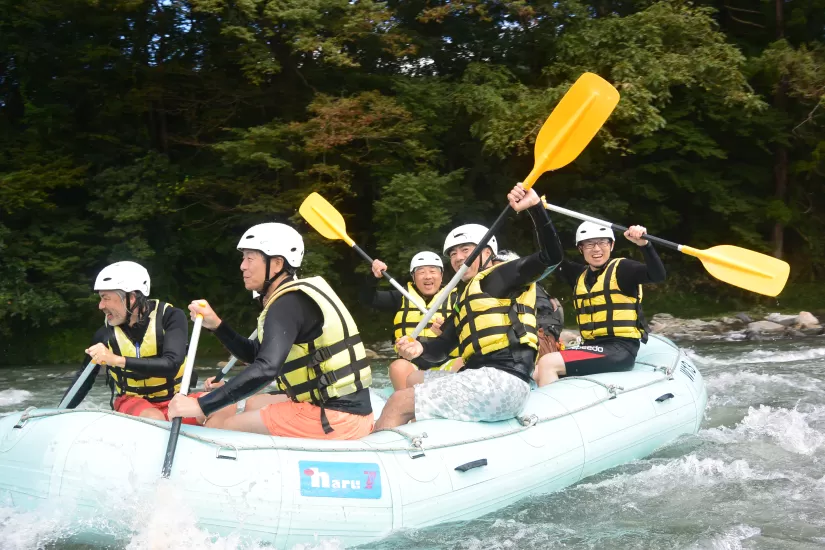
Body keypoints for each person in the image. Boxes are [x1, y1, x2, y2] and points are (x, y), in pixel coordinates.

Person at [374, 183, 563, 429]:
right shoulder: (465, 298)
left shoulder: (503, 276)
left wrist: (536, 208)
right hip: (477, 376)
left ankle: (383, 454)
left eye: (466, 250)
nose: (459, 258)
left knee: (399, 401)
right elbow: (442, 348)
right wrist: (418, 349)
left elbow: (551, 256)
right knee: (413, 378)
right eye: (453, 253)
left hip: (502, 383)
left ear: (487, 253)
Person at [167, 223, 374, 439]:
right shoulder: (293, 299)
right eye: (243, 258)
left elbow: (266, 369)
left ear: (276, 263)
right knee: (254, 402)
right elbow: (258, 355)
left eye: (250, 258)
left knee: (220, 429)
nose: (242, 266)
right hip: (345, 409)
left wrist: (202, 406)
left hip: (336, 417)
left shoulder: (287, 304)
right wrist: (217, 326)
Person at [533, 220, 666, 386]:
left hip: (620, 349)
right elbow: (551, 253)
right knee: (537, 370)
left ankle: (550, 412)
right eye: (589, 244)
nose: (596, 249)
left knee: (548, 363)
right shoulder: (578, 275)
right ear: (580, 248)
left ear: (611, 245)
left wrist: (644, 245)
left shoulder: (624, 269)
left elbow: (658, 275)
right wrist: (537, 210)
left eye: (602, 242)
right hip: (591, 346)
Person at [61, 261, 194, 422]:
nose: (100, 306)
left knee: (220, 410)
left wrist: (116, 360)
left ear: (131, 297)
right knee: (153, 417)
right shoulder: (104, 335)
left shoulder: (171, 317)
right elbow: (84, 379)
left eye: (106, 298)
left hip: (176, 400)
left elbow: (172, 364)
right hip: (132, 402)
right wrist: (58, 414)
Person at [360, 251, 462, 390]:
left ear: (441, 275)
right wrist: (373, 278)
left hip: (448, 363)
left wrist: (448, 331)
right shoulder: (400, 296)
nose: (427, 276)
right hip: (412, 365)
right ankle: (407, 406)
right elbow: (367, 298)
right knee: (398, 366)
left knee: (464, 362)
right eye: (421, 272)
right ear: (413, 277)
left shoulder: (458, 298)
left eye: (433, 271)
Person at [493, 249, 564, 356]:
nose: (497, 274)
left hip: (540, 336)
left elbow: (547, 318)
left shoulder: (532, 289)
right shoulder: (496, 292)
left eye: (502, 269)